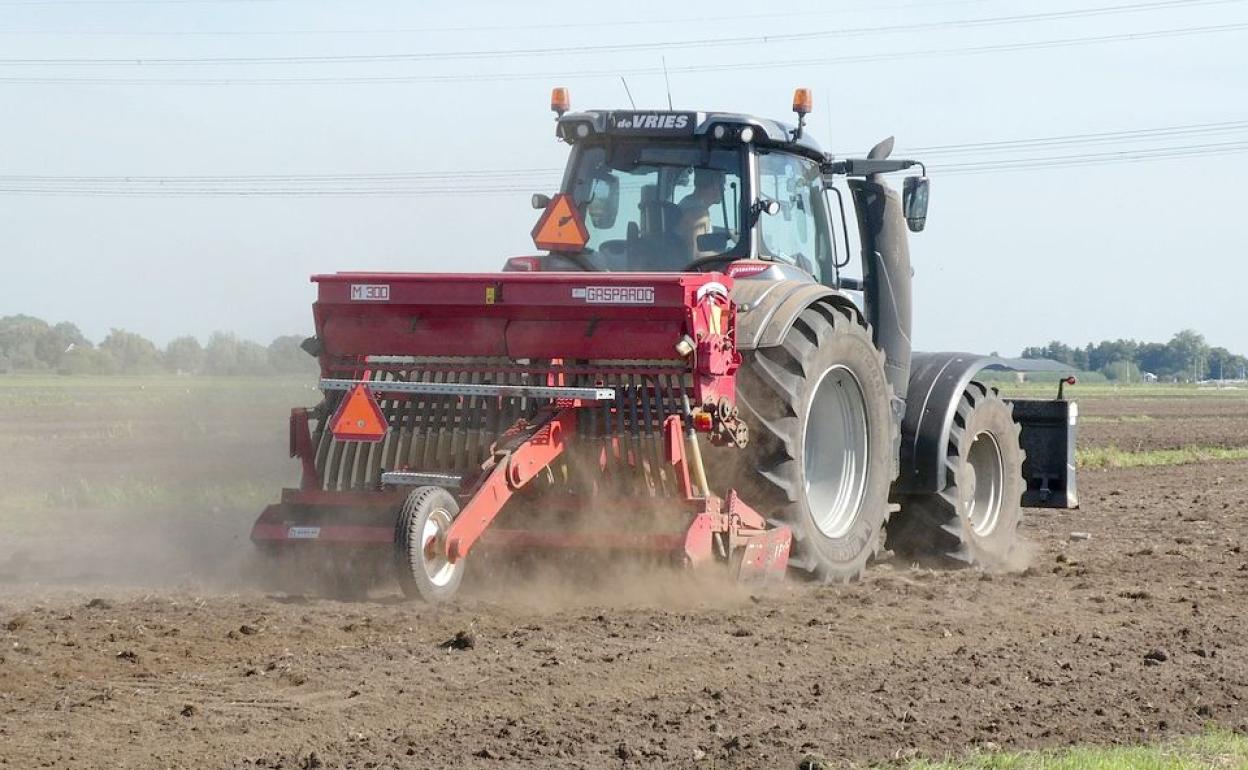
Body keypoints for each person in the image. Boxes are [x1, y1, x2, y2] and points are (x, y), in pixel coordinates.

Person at [675, 168, 725, 260]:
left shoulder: (688, 202)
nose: (724, 189)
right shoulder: (698, 215)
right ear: (715, 185)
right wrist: (728, 255)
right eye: (723, 184)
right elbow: (697, 255)